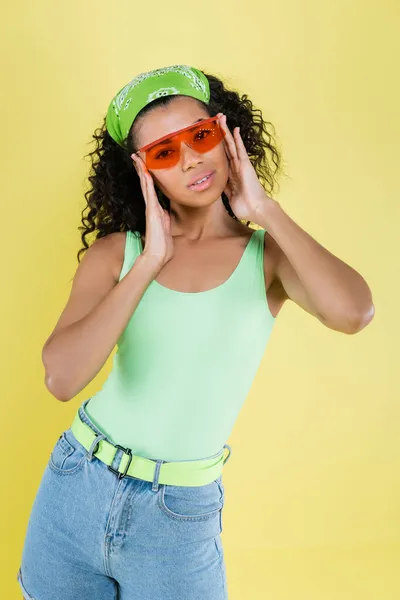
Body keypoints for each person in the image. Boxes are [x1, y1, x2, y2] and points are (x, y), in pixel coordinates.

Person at [16, 64, 374, 600]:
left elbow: (353, 313)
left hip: (177, 513)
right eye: (164, 152)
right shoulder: (120, 254)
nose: (190, 160)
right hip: (76, 487)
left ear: (227, 136)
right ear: (143, 171)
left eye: (200, 136)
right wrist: (150, 262)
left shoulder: (269, 257)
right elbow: (62, 378)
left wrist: (265, 210)